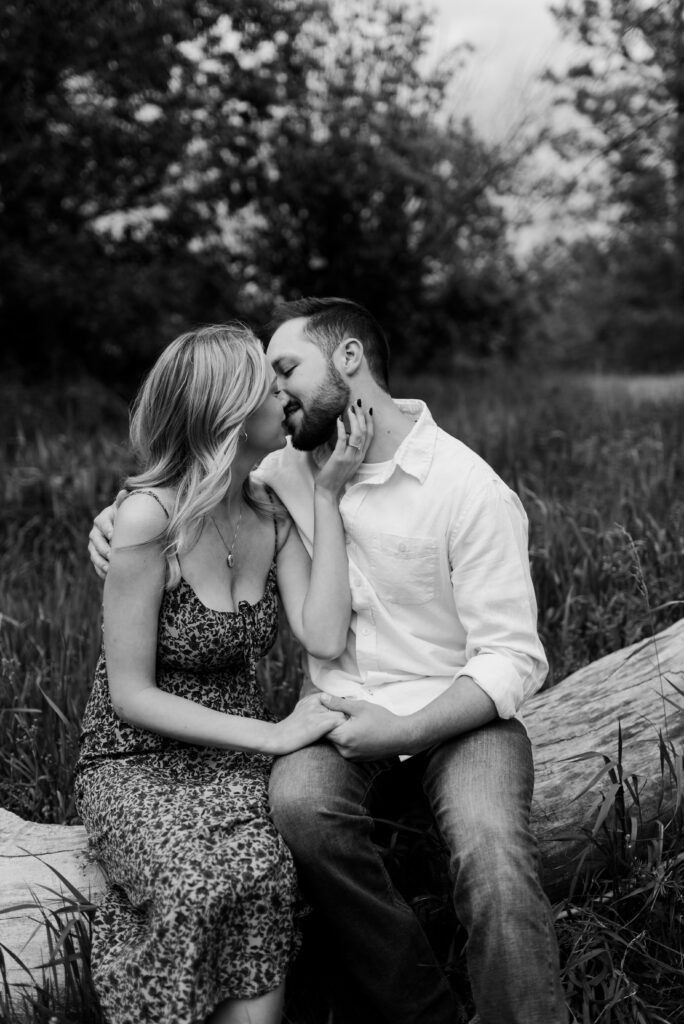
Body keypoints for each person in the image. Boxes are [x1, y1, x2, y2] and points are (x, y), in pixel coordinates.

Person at [89, 299, 567, 1024]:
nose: (276, 393)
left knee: (495, 857)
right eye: (267, 379)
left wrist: (405, 731)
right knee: (300, 809)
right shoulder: (283, 466)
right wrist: (114, 522)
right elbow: (185, 480)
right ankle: (422, 1012)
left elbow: (511, 657)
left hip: (459, 712)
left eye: (286, 371)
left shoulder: (468, 490)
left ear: (348, 361)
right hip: (337, 711)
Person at [76, 322, 373, 1024]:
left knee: (262, 872)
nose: (284, 396)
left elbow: (324, 631)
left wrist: (327, 499)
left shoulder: (269, 512)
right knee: (191, 877)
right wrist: (272, 737)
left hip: (228, 760)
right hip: (135, 756)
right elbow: (130, 695)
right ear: (233, 413)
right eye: (269, 387)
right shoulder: (149, 520)